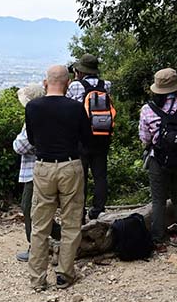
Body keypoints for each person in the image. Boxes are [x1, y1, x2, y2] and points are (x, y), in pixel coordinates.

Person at [26, 65, 92, 290]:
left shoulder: (33, 107)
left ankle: (37, 278)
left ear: (47, 81)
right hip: (70, 165)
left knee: (40, 225)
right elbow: (87, 139)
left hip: (44, 166)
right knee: (71, 222)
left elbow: (33, 139)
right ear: (67, 82)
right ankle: (65, 273)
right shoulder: (75, 108)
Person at [138, 68, 177, 252]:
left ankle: (158, 240)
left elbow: (145, 138)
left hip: (158, 159)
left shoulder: (148, 110)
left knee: (158, 200)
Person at [12, 84, 61, 262]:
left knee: (29, 207)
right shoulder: (52, 115)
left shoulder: (33, 118)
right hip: (51, 168)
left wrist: (16, 140)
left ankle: (37, 246)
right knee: (41, 209)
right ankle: (60, 237)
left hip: (34, 171)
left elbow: (21, 146)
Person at [65, 53, 113, 221]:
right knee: (100, 175)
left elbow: (68, 106)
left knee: (81, 176)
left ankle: (81, 211)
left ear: (80, 70)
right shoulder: (106, 84)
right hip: (102, 136)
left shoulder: (76, 86)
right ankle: (98, 209)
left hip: (81, 137)